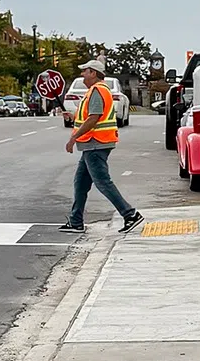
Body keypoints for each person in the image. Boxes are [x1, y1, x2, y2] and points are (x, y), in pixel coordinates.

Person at [60, 57, 142, 234]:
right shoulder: (95, 91)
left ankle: (130, 214)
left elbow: (93, 118)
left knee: (102, 182)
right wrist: (72, 118)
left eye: (85, 71)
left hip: (96, 143)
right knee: (80, 183)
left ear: (94, 73)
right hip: (93, 143)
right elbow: (88, 116)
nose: (82, 74)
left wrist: (73, 137)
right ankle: (76, 221)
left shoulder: (97, 90)